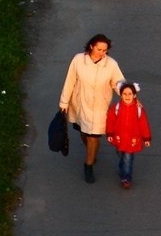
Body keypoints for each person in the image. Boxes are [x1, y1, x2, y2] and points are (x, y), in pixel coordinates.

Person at [59, 33, 126, 182]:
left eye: (105, 50)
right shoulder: (78, 60)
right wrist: (64, 102)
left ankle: (88, 165)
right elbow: (69, 81)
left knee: (93, 137)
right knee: (84, 133)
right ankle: (92, 151)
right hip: (80, 105)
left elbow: (118, 83)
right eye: (99, 49)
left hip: (99, 108)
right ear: (91, 46)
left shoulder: (111, 64)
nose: (102, 53)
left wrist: (129, 95)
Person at [105, 81, 152, 189]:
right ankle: (123, 168)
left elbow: (143, 124)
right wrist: (110, 133)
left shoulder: (138, 109)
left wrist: (146, 138)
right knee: (120, 154)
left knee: (128, 158)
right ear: (121, 95)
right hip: (119, 138)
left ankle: (126, 178)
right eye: (125, 94)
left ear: (134, 95)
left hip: (132, 139)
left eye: (130, 94)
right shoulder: (116, 108)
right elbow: (110, 121)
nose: (127, 96)